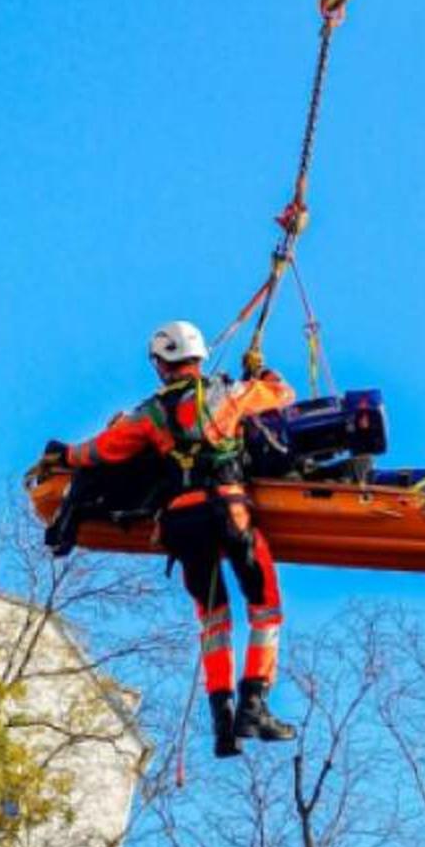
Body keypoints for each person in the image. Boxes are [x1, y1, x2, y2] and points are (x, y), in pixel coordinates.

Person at [39, 321, 298, 758]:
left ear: (161, 363)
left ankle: (222, 721)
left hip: (182, 520)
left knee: (214, 621)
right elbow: (282, 394)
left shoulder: (148, 414)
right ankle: (254, 704)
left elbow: (101, 450)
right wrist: (262, 371)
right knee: (265, 607)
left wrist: (64, 454)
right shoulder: (228, 394)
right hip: (229, 512)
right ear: (197, 356)